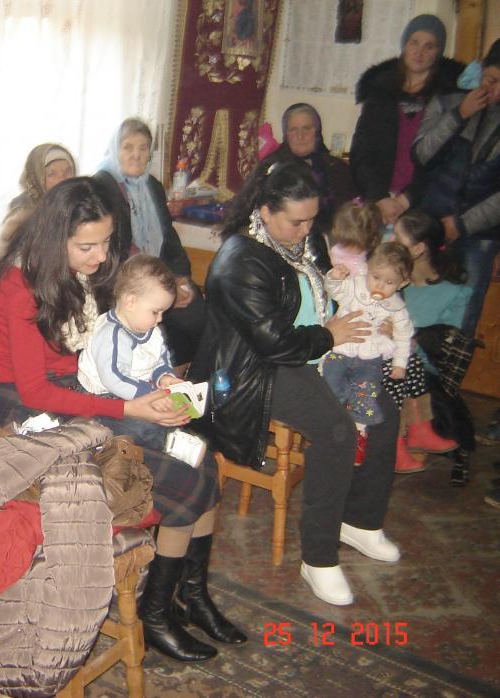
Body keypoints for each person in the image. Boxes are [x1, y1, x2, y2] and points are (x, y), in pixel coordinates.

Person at [0, 176, 245, 663]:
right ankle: (156, 614)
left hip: (82, 392)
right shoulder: (19, 286)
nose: (102, 256)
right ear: (55, 239)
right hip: (32, 414)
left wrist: (156, 386)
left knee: (203, 457)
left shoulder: (85, 274)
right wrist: (131, 407)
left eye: (106, 242)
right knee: (186, 478)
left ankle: (191, 595)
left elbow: (115, 348)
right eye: (87, 246)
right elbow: (36, 391)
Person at [191, 160, 402, 607]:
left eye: (312, 219)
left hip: (315, 351)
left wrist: (373, 320)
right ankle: (318, 558)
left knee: (383, 413)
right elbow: (274, 343)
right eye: (297, 221)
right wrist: (330, 337)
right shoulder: (239, 260)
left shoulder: (305, 241)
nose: (307, 230)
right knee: (338, 430)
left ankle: (360, 522)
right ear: (265, 211)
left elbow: (328, 297)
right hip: (255, 370)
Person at [95, 117, 205, 365]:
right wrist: (161, 284)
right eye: (128, 147)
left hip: (158, 274)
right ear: (115, 149)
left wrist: (181, 278)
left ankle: (185, 376)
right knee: (161, 331)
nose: (136, 155)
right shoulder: (102, 186)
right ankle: (162, 374)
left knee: (198, 312)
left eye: (143, 148)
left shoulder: (152, 185)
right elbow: (113, 249)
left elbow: (169, 237)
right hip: (122, 280)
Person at [413, 38, 500, 337]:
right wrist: (460, 114)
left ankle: (448, 369)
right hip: (429, 223)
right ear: (481, 70)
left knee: (463, 317)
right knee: (416, 306)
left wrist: (460, 223)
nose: (496, 92)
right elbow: (422, 155)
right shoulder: (448, 100)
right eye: (492, 80)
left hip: (479, 233)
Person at [350, 14, 464, 225]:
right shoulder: (379, 92)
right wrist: (379, 197)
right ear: (405, 45)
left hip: (426, 206)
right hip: (379, 203)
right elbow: (362, 152)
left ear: (438, 51)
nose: (419, 52)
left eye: (429, 46)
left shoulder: (449, 98)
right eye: (414, 43)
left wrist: (406, 200)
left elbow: (448, 159)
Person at [392, 209, 474, 483]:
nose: (389, 242)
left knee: (399, 378)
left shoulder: (454, 293)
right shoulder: (387, 278)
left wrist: (410, 342)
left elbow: (443, 355)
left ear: (417, 249)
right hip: (382, 362)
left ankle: (400, 442)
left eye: (397, 238)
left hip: (422, 376)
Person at [78, 254, 184, 451]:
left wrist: (165, 377)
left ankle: (172, 436)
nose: (160, 319)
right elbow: (114, 378)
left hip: (137, 389)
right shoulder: (111, 334)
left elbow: (160, 359)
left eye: (163, 312)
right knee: (141, 427)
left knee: (173, 411)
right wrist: (151, 395)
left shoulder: (151, 329)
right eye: (155, 312)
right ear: (130, 302)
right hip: (103, 398)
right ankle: (169, 445)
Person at [323, 243, 414, 465]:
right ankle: (333, 421)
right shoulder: (354, 286)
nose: (380, 285)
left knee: (366, 395)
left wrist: (400, 363)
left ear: (403, 283)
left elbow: (404, 336)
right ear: (367, 269)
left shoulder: (397, 308)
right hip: (341, 351)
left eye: (389, 282)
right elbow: (334, 290)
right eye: (376, 277)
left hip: (370, 359)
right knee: (330, 384)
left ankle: (358, 434)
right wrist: (334, 277)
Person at [263, 103, 357, 264]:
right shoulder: (272, 167)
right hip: (285, 245)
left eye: (307, 128)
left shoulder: (337, 168)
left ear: (317, 132)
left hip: (335, 244)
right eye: (294, 130)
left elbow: (351, 215)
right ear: (286, 134)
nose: (300, 136)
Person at [0, 142, 76, 258]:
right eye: (51, 174)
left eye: (68, 171)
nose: (62, 179)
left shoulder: (80, 203)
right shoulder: (22, 217)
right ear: (36, 177)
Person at [327, 201, 383, 275]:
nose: (344, 248)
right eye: (342, 242)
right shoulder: (336, 250)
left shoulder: (364, 267)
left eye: (349, 244)